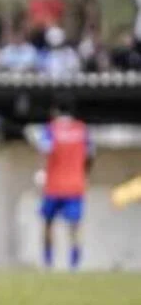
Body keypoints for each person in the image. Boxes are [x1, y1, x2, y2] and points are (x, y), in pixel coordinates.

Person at [34, 97, 93, 270]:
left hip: (53, 185)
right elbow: (90, 155)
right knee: (74, 226)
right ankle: (74, 264)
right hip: (75, 184)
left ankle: (48, 262)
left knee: (47, 223)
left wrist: (41, 172)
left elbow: (44, 150)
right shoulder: (82, 130)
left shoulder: (51, 129)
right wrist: (84, 174)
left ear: (55, 111)